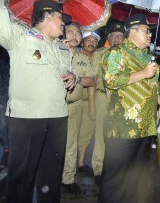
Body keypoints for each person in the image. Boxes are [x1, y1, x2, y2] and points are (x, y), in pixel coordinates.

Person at [0, 0, 77, 203]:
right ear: (46, 17)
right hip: (27, 118)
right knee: (22, 176)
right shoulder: (21, 38)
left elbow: (68, 73)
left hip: (58, 116)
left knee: (51, 176)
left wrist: (72, 76)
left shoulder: (62, 48)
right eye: (60, 19)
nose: (63, 26)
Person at [99, 14, 160, 202]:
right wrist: (143, 73)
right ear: (132, 32)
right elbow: (110, 80)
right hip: (123, 127)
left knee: (134, 179)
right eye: (146, 31)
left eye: (149, 31)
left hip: (145, 127)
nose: (150, 35)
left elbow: (152, 88)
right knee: (115, 181)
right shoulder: (117, 52)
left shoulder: (146, 56)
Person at [61, 22, 97, 195]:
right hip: (53, 105)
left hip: (74, 106)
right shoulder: (56, 50)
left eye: (78, 33)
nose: (74, 36)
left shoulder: (83, 58)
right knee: (51, 143)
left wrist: (77, 79)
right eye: (70, 32)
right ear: (63, 33)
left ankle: (67, 179)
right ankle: (47, 175)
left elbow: (92, 80)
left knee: (71, 144)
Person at [91, 21, 125, 186]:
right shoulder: (99, 53)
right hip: (103, 96)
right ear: (109, 38)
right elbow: (92, 77)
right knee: (100, 134)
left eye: (121, 36)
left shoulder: (129, 56)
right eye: (114, 36)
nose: (118, 39)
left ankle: (115, 170)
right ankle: (98, 170)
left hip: (121, 99)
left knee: (118, 135)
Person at [76, 31, 100, 173]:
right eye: (88, 39)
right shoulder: (74, 55)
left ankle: (80, 163)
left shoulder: (100, 56)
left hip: (92, 100)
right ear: (82, 42)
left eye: (94, 40)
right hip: (75, 99)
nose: (91, 42)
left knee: (86, 132)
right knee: (71, 132)